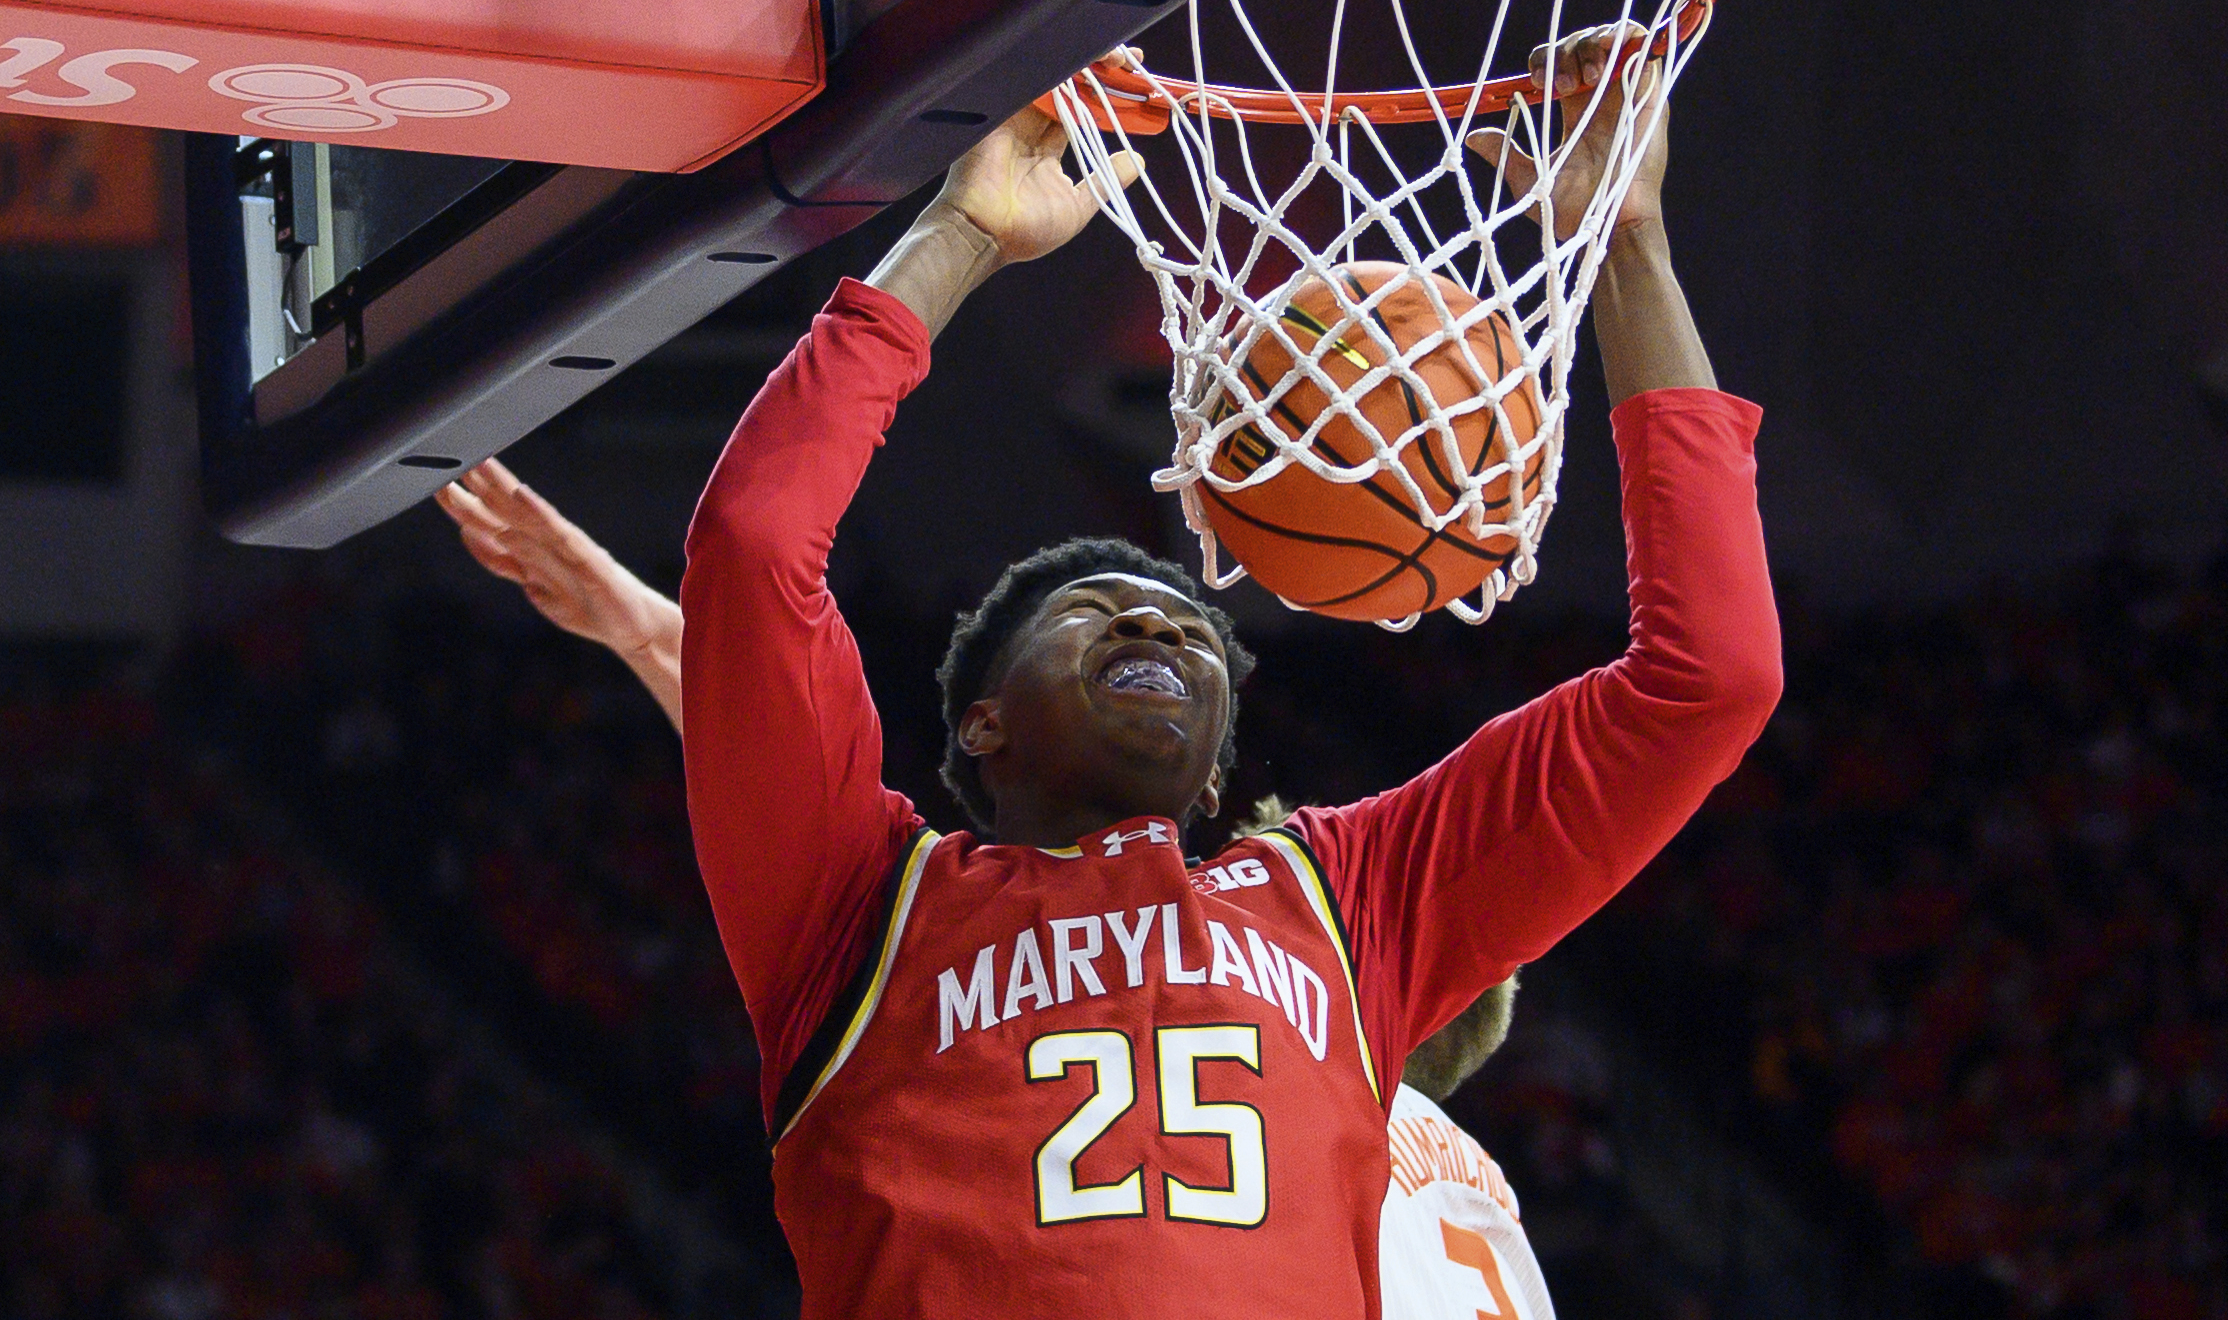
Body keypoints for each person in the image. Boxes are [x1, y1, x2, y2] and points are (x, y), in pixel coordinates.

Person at [446, 23, 1779, 1318]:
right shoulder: (859, 903)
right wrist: (959, 236)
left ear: (1214, 777)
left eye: (1195, 632)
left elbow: (1708, 680)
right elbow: (753, 547)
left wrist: (1631, 246)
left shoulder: (1344, 901)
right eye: (1099, 611)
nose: (1163, 631)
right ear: (982, 727)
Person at [438, 506, 1554, 1320]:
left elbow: (869, 893)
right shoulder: (1427, 1157)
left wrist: (667, 638)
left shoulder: (1290, 1085)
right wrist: (667, 642)